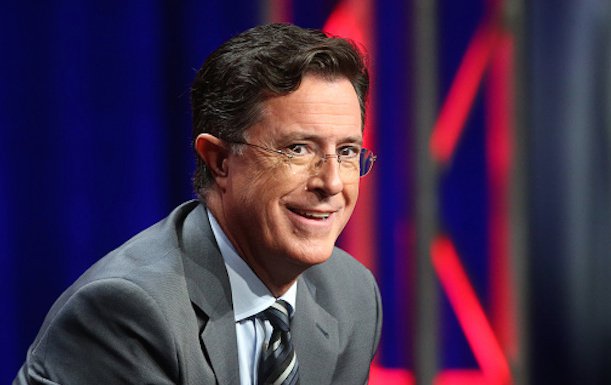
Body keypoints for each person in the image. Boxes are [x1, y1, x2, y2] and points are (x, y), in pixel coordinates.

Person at [14, 23, 382, 385]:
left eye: (347, 151)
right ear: (219, 160)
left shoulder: (352, 295)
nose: (332, 182)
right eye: (297, 149)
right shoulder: (129, 312)